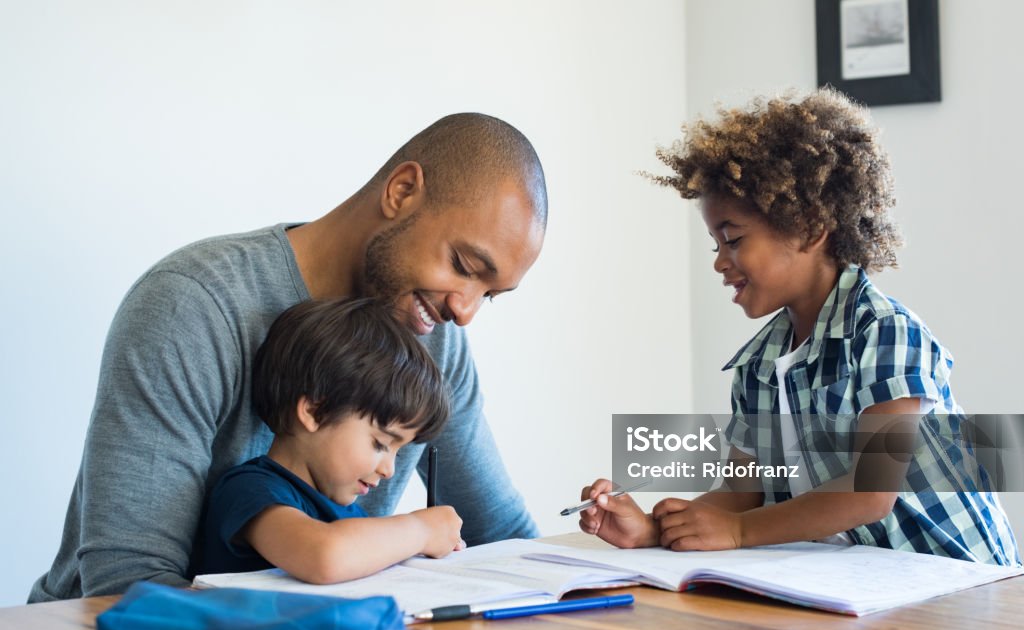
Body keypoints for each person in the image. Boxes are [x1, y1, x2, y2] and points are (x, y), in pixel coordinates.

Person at [31, 113, 547, 602]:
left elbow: (505, 538)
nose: (465, 311)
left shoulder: (434, 341)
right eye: (463, 265)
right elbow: (126, 585)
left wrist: (621, 546)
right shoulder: (193, 305)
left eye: (490, 294)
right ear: (402, 191)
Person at [580, 89, 1020, 566]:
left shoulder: (885, 332)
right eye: (715, 247)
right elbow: (740, 494)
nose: (721, 263)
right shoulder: (757, 367)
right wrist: (654, 530)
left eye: (733, 240)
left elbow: (871, 490)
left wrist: (740, 531)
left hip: (960, 585)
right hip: (862, 588)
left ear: (810, 227)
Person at [199, 297, 462, 582]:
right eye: (381, 444)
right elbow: (324, 557)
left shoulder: (349, 515)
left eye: (398, 452)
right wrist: (419, 530)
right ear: (315, 412)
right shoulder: (251, 491)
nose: (389, 470)